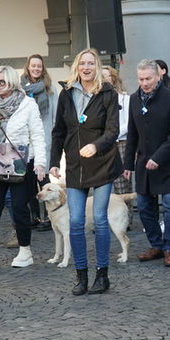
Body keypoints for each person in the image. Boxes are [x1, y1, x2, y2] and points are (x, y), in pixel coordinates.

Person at [50, 48, 122, 296]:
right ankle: (81, 275)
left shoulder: (107, 93)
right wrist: (53, 162)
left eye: (91, 63)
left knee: (100, 219)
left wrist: (96, 145)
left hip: (102, 162)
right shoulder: (67, 93)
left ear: (97, 65)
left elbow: (113, 130)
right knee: (76, 220)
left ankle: (102, 275)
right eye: (83, 63)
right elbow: (58, 130)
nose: (87, 67)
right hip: (75, 164)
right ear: (77, 67)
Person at [0, 66, 46, 271]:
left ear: (12, 82)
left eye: (3, 81)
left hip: (21, 162)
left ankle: (25, 251)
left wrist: (41, 162)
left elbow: (37, 134)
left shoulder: (28, 104)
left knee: (18, 207)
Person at [124, 59, 170, 267]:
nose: (145, 83)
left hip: (168, 162)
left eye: (148, 78)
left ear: (158, 76)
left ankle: (169, 248)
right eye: (141, 79)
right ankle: (156, 245)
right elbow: (132, 133)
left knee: (168, 205)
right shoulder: (134, 99)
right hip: (144, 163)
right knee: (143, 206)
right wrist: (128, 165)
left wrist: (158, 158)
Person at [21, 54, 58, 232]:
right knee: (28, 180)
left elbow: (55, 116)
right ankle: (34, 216)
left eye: (39, 66)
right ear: (28, 67)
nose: (36, 69)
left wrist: (53, 136)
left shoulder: (50, 90)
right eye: (33, 66)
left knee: (43, 178)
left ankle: (50, 217)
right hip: (25, 140)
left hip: (44, 138)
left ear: (43, 69)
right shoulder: (20, 89)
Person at [101, 66, 132, 198]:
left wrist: (112, 134)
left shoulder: (124, 98)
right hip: (103, 144)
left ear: (113, 78)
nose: (102, 79)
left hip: (121, 143)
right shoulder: (96, 100)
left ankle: (127, 216)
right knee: (104, 183)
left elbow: (129, 122)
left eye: (105, 76)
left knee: (122, 185)